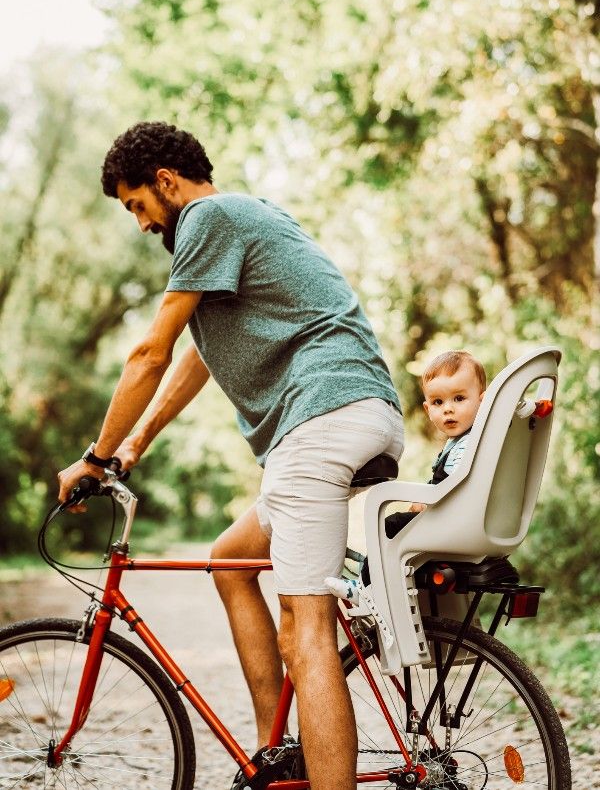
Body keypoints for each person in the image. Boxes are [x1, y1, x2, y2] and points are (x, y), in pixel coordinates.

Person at [57, 122, 404, 790]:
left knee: (308, 630)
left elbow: (149, 353)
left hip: (322, 421)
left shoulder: (208, 217)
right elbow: (195, 360)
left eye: (136, 205)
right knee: (230, 561)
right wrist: (134, 446)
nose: (138, 224)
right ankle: (282, 761)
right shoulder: (236, 224)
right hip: (347, 417)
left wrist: (93, 458)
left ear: (165, 182)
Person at [326, 349, 485, 607]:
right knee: (400, 532)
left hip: (451, 522)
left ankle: (365, 591)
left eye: (459, 398)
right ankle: (385, 585)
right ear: (427, 408)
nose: (448, 410)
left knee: (390, 526)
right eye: (438, 403)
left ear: (482, 400)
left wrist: (430, 502)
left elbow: (458, 485)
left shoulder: (467, 445)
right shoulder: (465, 441)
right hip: (456, 521)